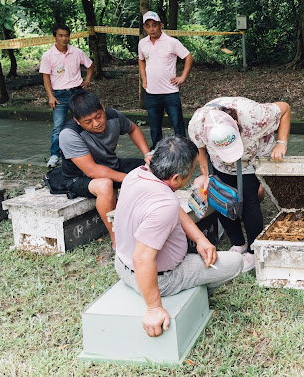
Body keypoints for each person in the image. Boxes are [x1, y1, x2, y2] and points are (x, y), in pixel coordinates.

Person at [113, 136, 243, 338]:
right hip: (160, 278)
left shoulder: (136, 174)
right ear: (175, 179)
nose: (191, 176)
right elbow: (143, 258)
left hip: (121, 264)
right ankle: (191, 292)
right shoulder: (165, 205)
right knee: (235, 262)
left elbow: (170, 203)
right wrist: (154, 309)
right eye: (191, 173)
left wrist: (200, 239)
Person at [188, 97, 291, 272]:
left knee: (249, 200)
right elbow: (201, 150)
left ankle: (253, 250)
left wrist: (281, 143)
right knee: (221, 198)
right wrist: (207, 175)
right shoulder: (197, 125)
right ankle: (238, 243)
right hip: (220, 163)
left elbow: (285, 109)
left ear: (237, 124)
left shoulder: (254, 114)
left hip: (251, 158)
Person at [59, 91, 152, 249]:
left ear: (102, 108)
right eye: (88, 121)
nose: (96, 123)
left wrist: (147, 154)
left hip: (111, 166)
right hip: (80, 178)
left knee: (152, 170)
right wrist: (129, 178)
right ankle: (116, 237)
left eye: (98, 116)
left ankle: (150, 223)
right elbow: (92, 171)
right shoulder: (69, 134)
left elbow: (133, 129)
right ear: (77, 121)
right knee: (105, 184)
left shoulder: (113, 116)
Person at [39, 23, 94, 168]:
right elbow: (45, 77)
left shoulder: (76, 52)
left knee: (84, 121)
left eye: (66, 35)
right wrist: (50, 96)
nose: (64, 39)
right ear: (54, 37)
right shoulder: (48, 56)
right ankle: (55, 155)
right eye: (60, 36)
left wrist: (87, 79)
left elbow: (90, 65)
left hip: (77, 92)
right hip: (60, 95)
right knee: (58, 126)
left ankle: (89, 152)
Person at [138, 10, 194, 147]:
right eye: (148, 26)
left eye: (154, 25)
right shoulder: (142, 43)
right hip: (151, 93)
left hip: (170, 92)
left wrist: (182, 77)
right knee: (155, 127)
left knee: (177, 125)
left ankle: (183, 150)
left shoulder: (171, 42)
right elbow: (141, 60)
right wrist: (144, 79)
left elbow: (188, 57)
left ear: (160, 25)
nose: (152, 29)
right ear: (144, 27)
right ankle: (158, 152)